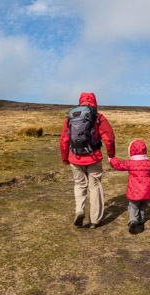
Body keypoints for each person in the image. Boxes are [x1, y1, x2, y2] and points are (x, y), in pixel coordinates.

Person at [60, 92, 115, 229]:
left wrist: (65, 158)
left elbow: (63, 140)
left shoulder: (71, 118)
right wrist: (111, 155)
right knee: (95, 186)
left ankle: (79, 210)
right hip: (94, 157)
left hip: (75, 157)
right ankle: (95, 220)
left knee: (79, 185)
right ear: (94, 101)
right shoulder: (98, 117)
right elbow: (109, 138)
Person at [108, 140, 150, 233]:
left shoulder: (130, 163)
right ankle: (141, 220)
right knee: (143, 205)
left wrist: (111, 159)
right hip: (147, 190)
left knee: (133, 205)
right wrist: (149, 182)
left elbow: (120, 165)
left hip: (134, 191)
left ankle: (133, 219)